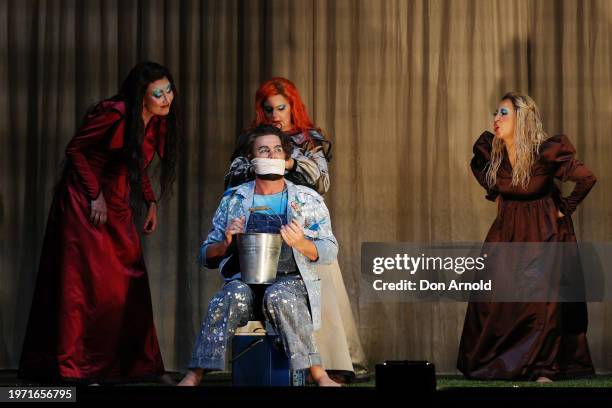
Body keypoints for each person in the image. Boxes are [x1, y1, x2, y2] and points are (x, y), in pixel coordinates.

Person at [19, 61, 179, 383]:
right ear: (141, 95)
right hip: (85, 201)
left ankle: (136, 365)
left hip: (116, 199)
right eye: (158, 93)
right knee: (87, 286)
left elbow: (136, 160)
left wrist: (150, 201)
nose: (166, 99)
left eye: (169, 90)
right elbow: (76, 149)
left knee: (128, 281)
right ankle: (82, 368)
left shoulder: (155, 119)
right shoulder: (114, 112)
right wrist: (95, 195)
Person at [224, 77, 368, 380]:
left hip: (302, 229)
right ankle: (273, 366)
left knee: (319, 290)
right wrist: (259, 162)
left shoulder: (308, 139)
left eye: (281, 108)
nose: (275, 115)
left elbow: (322, 181)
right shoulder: (251, 140)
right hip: (260, 231)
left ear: (292, 108)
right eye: (269, 109)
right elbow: (232, 179)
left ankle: (331, 364)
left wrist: (287, 163)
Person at [179, 125, 340, 387]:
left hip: (290, 282)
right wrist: (226, 244)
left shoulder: (306, 199)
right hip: (246, 280)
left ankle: (318, 373)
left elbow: (330, 249)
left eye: (278, 149)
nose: (272, 155)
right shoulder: (234, 200)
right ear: (252, 160)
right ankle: (194, 374)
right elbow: (205, 255)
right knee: (230, 294)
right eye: (264, 149)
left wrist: (301, 243)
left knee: (280, 296)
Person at [457, 92, 596, 381]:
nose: (496, 118)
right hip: (507, 235)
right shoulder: (494, 155)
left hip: (543, 235)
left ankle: (542, 368)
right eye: (496, 113)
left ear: (522, 117)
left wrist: (564, 210)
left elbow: (586, 178)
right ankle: (498, 364)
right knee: (492, 298)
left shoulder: (545, 152)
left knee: (541, 303)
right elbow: (487, 178)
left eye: (504, 113)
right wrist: (500, 198)